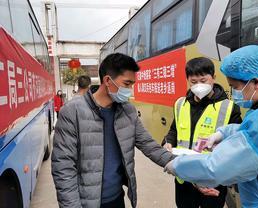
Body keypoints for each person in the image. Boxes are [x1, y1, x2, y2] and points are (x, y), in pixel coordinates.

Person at [164, 45, 258, 207]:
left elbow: (216, 168)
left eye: (235, 87)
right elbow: (257, 133)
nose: (235, 93)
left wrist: (176, 166)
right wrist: (224, 133)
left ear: (256, 82)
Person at [51, 53, 176, 208]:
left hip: (117, 199)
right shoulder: (72, 112)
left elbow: (149, 145)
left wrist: (181, 165)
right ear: (108, 81)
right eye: (127, 84)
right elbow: (63, 167)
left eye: (132, 85)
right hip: (85, 203)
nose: (130, 90)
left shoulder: (128, 111)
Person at [162, 57, 242, 208]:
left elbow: (238, 142)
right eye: (193, 82)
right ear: (187, 80)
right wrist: (168, 142)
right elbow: (174, 130)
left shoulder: (229, 107)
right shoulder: (180, 104)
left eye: (203, 81)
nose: (199, 85)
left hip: (212, 178)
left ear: (213, 78)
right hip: (183, 175)